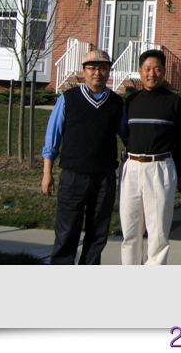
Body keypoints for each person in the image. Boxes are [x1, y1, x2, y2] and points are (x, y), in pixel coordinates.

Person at [41, 49, 127, 265]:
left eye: (103, 68)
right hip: (73, 176)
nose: (97, 73)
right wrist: (47, 173)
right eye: (92, 68)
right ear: (84, 71)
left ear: (109, 71)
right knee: (66, 232)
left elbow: (129, 137)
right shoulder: (68, 99)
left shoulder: (117, 103)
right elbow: (52, 137)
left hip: (104, 178)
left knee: (98, 234)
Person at [120, 49, 181, 265]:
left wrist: (180, 173)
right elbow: (125, 134)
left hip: (160, 167)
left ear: (164, 71)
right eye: (147, 69)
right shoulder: (131, 101)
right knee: (130, 230)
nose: (152, 74)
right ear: (140, 71)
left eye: (157, 69)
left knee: (158, 233)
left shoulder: (175, 103)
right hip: (132, 166)